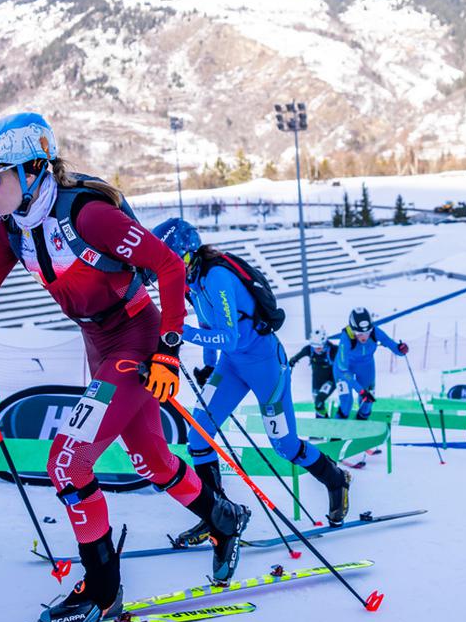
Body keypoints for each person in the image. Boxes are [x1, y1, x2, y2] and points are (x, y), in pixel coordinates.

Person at [0, 112, 249, 622]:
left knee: (67, 461)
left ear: (33, 168)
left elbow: (169, 267)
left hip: (136, 337)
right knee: (151, 459)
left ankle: (102, 591)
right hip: (98, 341)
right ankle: (224, 521)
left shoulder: (88, 217)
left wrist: (169, 351)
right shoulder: (14, 228)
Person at [151, 219, 354, 530]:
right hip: (231, 366)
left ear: (186, 254)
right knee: (198, 436)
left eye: (169, 261)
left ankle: (336, 478)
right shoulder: (192, 282)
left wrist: (181, 332)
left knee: (284, 445)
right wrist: (208, 365)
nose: (166, 270)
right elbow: (209, 326)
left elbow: (228, 336)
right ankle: (218, 516)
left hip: (266, 365)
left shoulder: (216, 276)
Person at [334, 308, 407, 420]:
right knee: (346, 403)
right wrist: (361, 391)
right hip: (344, 369)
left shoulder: (375, 332)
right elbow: (344, 372)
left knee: (367, 402)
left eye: (367, 332)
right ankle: (336, 434)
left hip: (366, 366)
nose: (364, 337)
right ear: (353, 331)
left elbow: (390, 344)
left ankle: (361, 429)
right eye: (359, 333)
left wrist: (400, 349)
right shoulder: (346, 339)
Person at [290, 329, 338, 418]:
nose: (317, 349)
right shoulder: (309, 349)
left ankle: (327, 424)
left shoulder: (333, 350)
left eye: (319, 346)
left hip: (330, 380)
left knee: (319, 401)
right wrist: (293, 360)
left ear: (325, 343)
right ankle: (321, 423)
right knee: (318, 404)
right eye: (314, 346)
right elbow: (297, 356)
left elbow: (345, 361)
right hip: (317, 381)